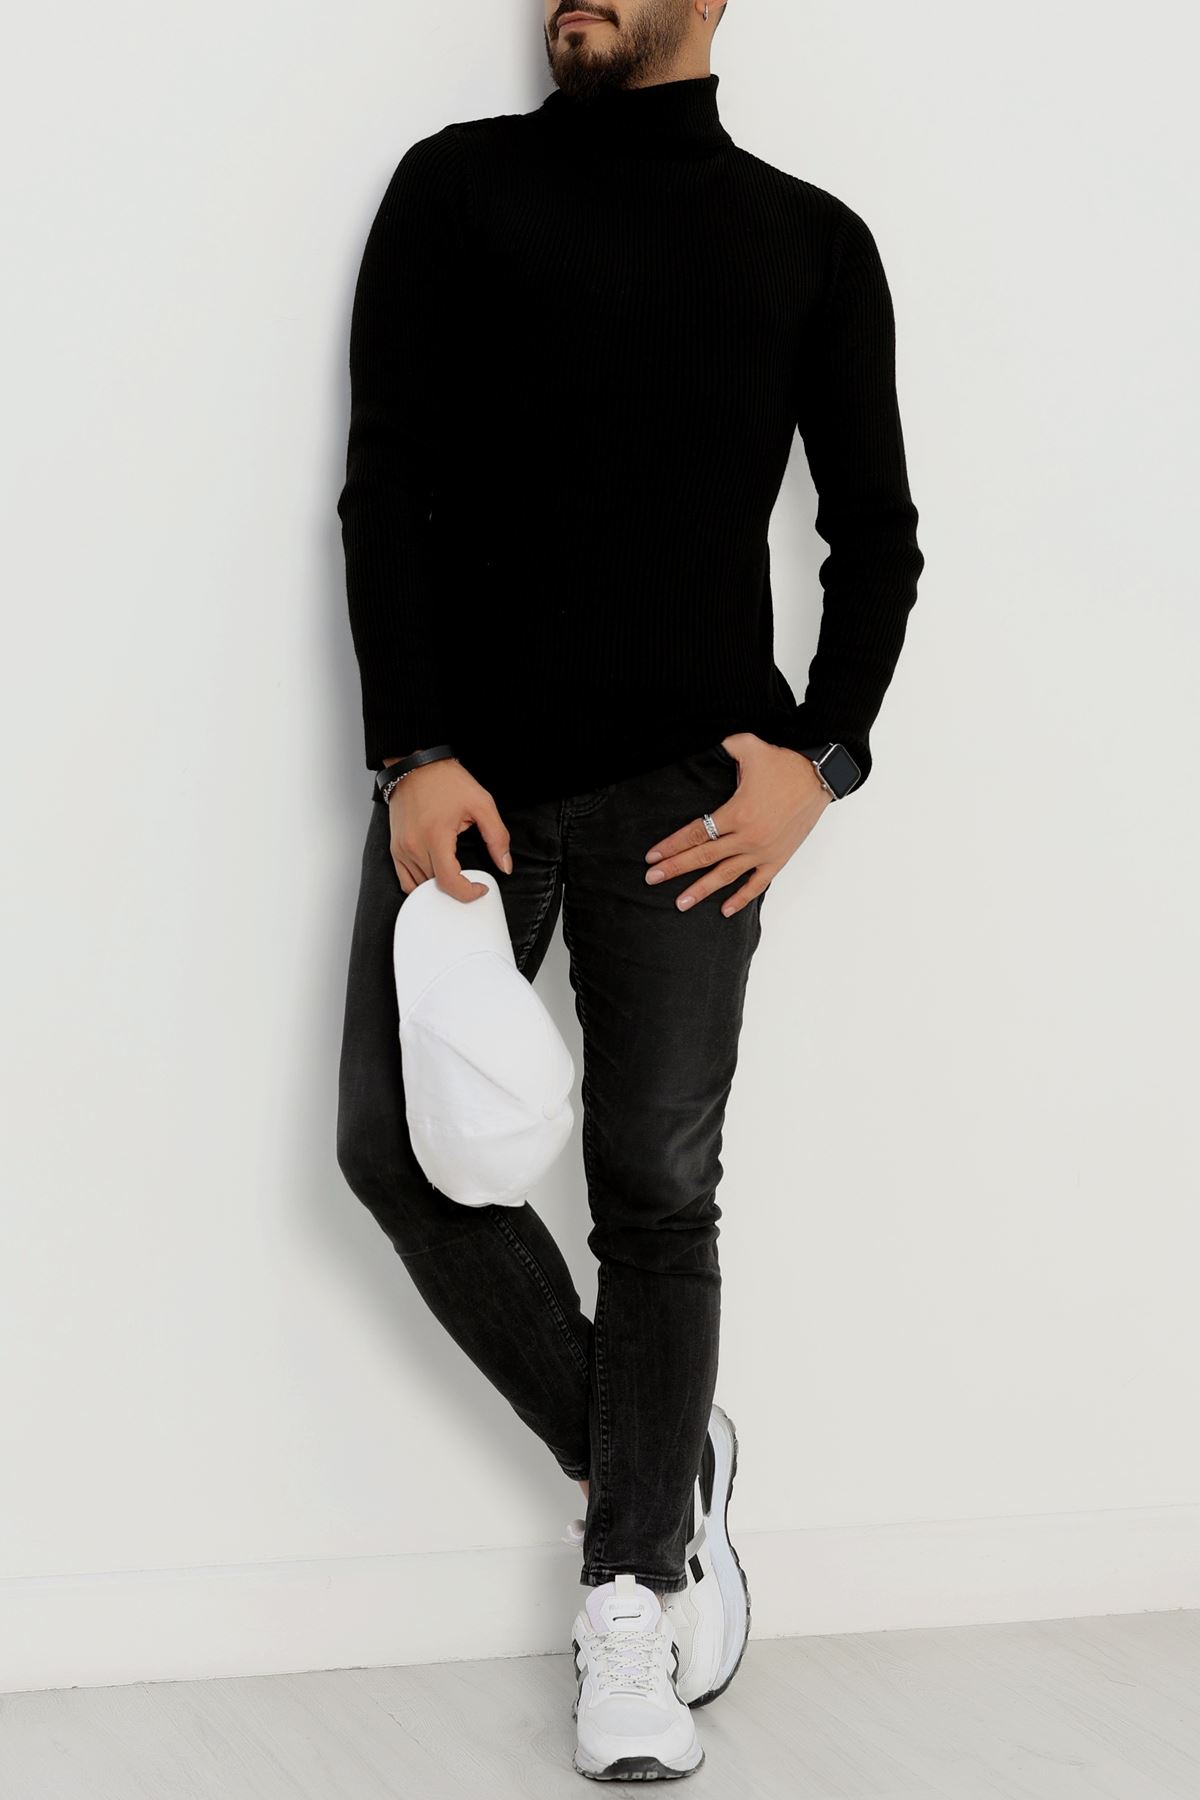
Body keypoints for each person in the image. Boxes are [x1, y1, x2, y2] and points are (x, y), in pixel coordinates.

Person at [335, 0, 924, 1781]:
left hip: (693, 803)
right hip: (473, 791)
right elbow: (386, 485)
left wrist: (822, 761)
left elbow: (878, 536)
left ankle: (629, 1600)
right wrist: (410, 749)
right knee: (398, 1153)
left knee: (656, 1198)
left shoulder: (810, 240)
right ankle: (657, 1473)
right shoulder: (457, 190)